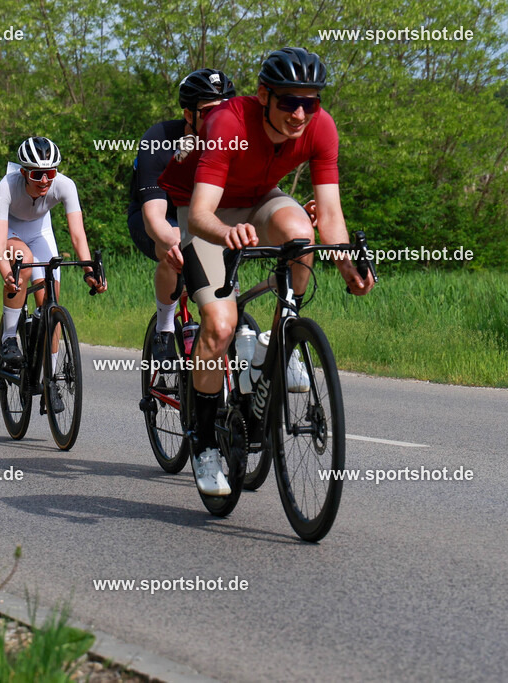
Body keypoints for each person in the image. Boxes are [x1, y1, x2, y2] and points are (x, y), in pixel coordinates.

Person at [159, 47, 374, 496]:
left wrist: (347, 266)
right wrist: (226, 233)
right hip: (208, 212)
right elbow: (199, 214)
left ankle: (279, 345)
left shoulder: (321, 128)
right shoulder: (228, 123)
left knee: (301, 232)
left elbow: (330, 216)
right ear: (263, 95)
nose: (300, 113)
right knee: (218, 326)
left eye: (310, 102)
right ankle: (203, 445)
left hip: (261, 199)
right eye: (289, 102)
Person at [0, 136, 106, 410]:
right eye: (38, 174)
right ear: (24, 172)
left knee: (51, 302)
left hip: (39, 231)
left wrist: (88, 269)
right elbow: (0, 242)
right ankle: (10, 337)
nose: (45, 180)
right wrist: (6, 272)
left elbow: (77, 234)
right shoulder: (7, 187)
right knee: (22, 259)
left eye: (50, 173)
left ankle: (50, 383)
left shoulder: (65, 185)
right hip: (1, 228)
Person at [127, 69, 234, 362]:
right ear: (189, 114)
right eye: (211, 111)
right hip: (157, 216)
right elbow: (154, 217)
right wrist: (174, 242)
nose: (221, 119)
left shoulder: (234, 141)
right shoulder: (158, 139)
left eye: (227, 110)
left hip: (203, 217)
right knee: (174, 243)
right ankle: (164, 329)